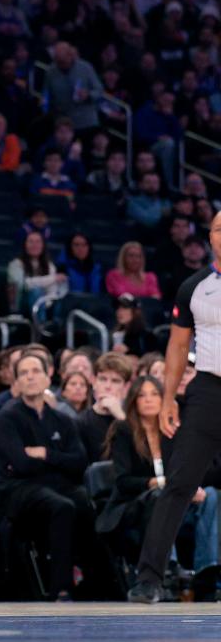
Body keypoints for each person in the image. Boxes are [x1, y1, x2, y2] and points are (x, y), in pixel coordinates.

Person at [129, 211, 221, 603]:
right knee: (179, 483)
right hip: (208, 389)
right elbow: (178, 347)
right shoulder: (194, 287)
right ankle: (149, 578)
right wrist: (168, 398)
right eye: (219, 227)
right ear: (210, 237)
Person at [101, 376, 219, 600]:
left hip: (172, 501)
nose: (148, 400)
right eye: (142, 395)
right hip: (136, 506)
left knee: (210, 495)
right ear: (134, 400)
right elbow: (123, 481)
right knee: (159, 496)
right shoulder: (124, 431)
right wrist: (157, 482)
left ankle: (208, 569)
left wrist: (191, 487)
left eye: (155, 394)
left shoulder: (174, 430)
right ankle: (166, 566)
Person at [0, 351, 94, 601]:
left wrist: (46, 454)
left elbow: (80, 462)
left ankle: (98, 582)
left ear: (48, 378)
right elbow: (20, 464)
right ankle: (61, 589)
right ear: (15, 382)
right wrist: (58, 462)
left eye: (35, 371)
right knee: (62, 506)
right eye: (23, 373)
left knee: (86, 502)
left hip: (53, 484)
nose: (30, 377)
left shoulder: (61, 419)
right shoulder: (7, 416)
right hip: (17, 491)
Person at [77, 353, 132, 464]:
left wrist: (121, 417)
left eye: (115, 381)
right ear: (93, 381)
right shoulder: (80, 422)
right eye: (102, 379)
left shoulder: (135, 418)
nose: (108, 386)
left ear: (126, 387)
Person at [7, 231, 66, 313]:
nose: (34, 245)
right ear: (25, 245)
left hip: (45, 306)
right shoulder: (15, 264)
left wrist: (45, 305)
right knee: (36, 291)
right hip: (21, 304)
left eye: (38, 242)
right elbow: (24, 285)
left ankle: (56, 324)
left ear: (43, 245)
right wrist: (53, 278)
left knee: (59, 297)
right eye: (31, 241)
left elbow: (52, 292)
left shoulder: (50, 265)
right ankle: (39, 324)